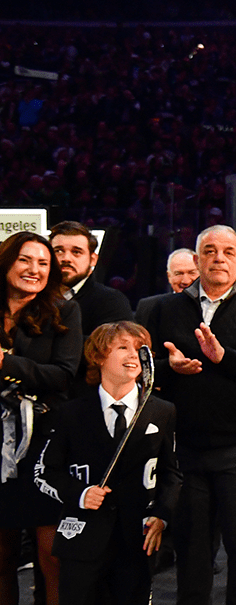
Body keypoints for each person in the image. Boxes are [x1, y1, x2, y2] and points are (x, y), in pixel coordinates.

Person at [144, 225, 236, 605]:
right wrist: (168, 366)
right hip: (183, 446)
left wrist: (223, 358)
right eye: (209, 250)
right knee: (191, 550)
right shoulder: (162, 309)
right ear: (197, 260)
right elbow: (139, 367)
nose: (217, 257)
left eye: (227, 252)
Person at [34, 321, 181, 605]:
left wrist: (162, 516)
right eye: (122, 347)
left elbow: (171, 472)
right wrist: (80, 493)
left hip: (135, 542)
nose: (133, 355)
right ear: (99, 357)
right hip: (82, 542)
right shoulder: (71, 413)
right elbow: (44, 472)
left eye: (140, 349)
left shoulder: (162, 411)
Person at [0, 232, 83, 605]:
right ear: (7, 261)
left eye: (43, 263)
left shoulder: (63, 310)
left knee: (53, 559)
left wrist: (7, 365)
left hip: (43, 445)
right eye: (25, 260)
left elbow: (64, 375)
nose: (34, 270)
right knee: (0, 559)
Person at [49, 221, 133, 387]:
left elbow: (110, 352)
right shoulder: (31, 296)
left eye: (76, 252)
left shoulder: (112, 300)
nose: (66, 258)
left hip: (87, 398)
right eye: (58, 251)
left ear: (93, 259)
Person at [134, 249, 199, 326]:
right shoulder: (148, 307)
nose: (185, 281)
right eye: (178, 274)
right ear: (169, 277)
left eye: (192, 273)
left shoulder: (211, 306)